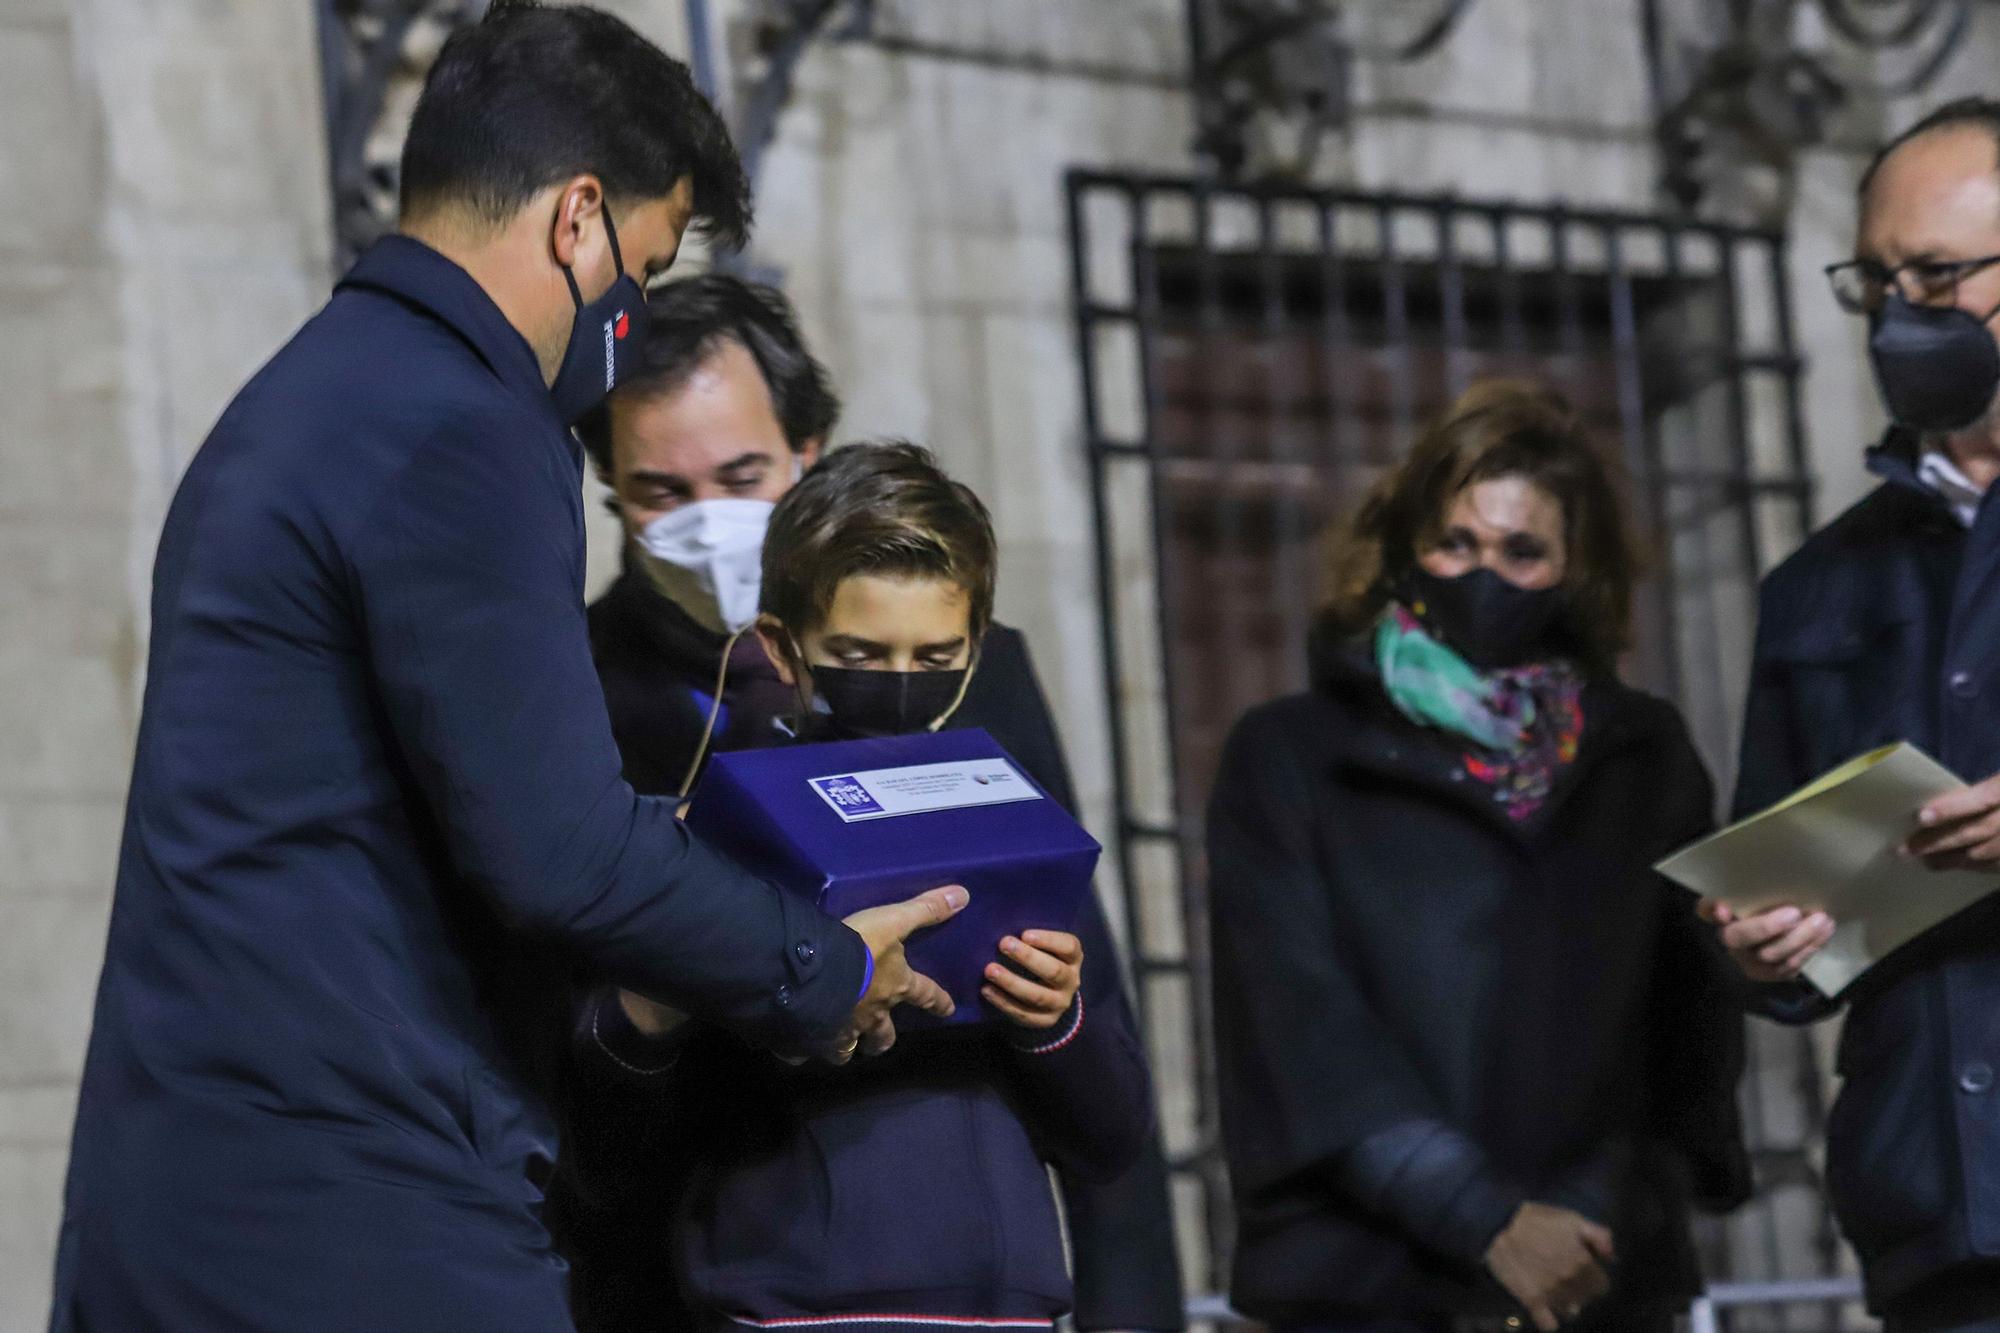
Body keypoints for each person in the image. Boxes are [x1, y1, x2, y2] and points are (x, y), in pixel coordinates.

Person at [48, 9, 961, 1331]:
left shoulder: (301, 399)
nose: (630, 320)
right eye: (642, 272)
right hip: (355, 1221)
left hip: (194, 1199)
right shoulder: (468, 428)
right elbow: (560, 852)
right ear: (577, 220)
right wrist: (819, 966)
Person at [560, 274, 1185, 1332]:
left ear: (804, 453)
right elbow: (579, 1053)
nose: (708, 517)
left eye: (741, 472)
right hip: (727, 1274)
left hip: (991, 1267)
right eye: (663, 489)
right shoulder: (565, 692)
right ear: (612, 489)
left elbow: (1091, 1016)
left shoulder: (984, 684)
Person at [1206, 380, 1750, 1333]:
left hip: (1600, 1270)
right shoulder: (1291, 751)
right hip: (1366, 1278)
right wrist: (1484, 1218)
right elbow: (1295, 1017)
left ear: (1577, 569)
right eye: (1456, 542)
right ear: (1406, 546)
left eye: (1522, 550)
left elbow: (1681, 1020)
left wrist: (1584, 1212)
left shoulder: (1643, 755)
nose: (1482, 573)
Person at [1704, 98, 2000, 1331]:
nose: (1897, 316)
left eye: (1934, 276)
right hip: (1937, 1228)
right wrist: (1758, 943)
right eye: (1873, 282)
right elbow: (1776, 932)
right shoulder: (1817, 584)